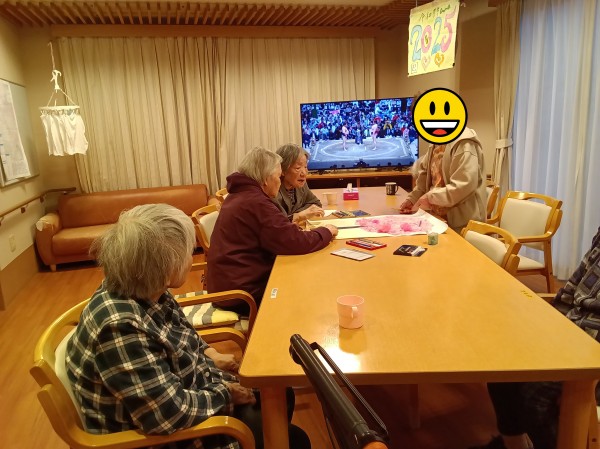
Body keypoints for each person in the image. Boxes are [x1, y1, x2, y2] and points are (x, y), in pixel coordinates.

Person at [65, 204, 310, 449]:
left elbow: (184, 332)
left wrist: (210, 353)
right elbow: (167, 415)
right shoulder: (120, 328)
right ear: (166, 267)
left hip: (187, 390)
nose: (191, 258)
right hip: (166, 436)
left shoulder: (144, 286)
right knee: (295, 440)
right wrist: (227, 393)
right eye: (187, 252)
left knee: (278, 393)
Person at [470, 226, 600, 449]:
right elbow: (570, 291)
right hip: (571, 332)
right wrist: (546, 326)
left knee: (535, 394)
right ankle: (514, 444)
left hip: (591, 354)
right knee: (500, 360)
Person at [207, 147, 338, 314]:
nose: (280, 181)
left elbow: (279, 232)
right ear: (265, 179)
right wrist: (326, 231)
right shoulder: (256, 202)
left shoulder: (242, 195)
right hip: (240, 294)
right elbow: (293, 242)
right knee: (308, 289)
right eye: (277, 176)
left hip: (229, 283)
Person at [398, 127, 486, 233]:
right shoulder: (437, 139)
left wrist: (430, 197)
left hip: (463, 224)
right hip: (438, 219)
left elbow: (464, 186)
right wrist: (412, 199)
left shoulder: (464, 142)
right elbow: (424, 175)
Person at [273, 143, 324, 225]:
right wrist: (299, 215)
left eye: (305, 167)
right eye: (298, 168)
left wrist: (297, 215)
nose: (304, 173)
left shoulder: (300, 183)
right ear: (282, 170)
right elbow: (278, 222)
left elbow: (315, 204)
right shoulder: (273, 189)